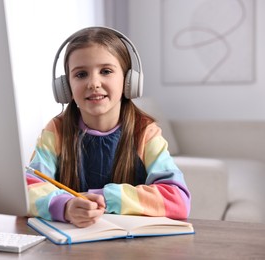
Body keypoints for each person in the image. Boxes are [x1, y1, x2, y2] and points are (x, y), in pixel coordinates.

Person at [26, 27, 190, 228]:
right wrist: (66, 205)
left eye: (106, 71)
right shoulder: (57, 131)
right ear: (65, 86)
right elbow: (28, 189)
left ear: (129, 80)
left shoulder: (145, 132)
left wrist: (105, 198)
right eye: (81, 74)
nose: (94, 83)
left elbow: (178, 199)